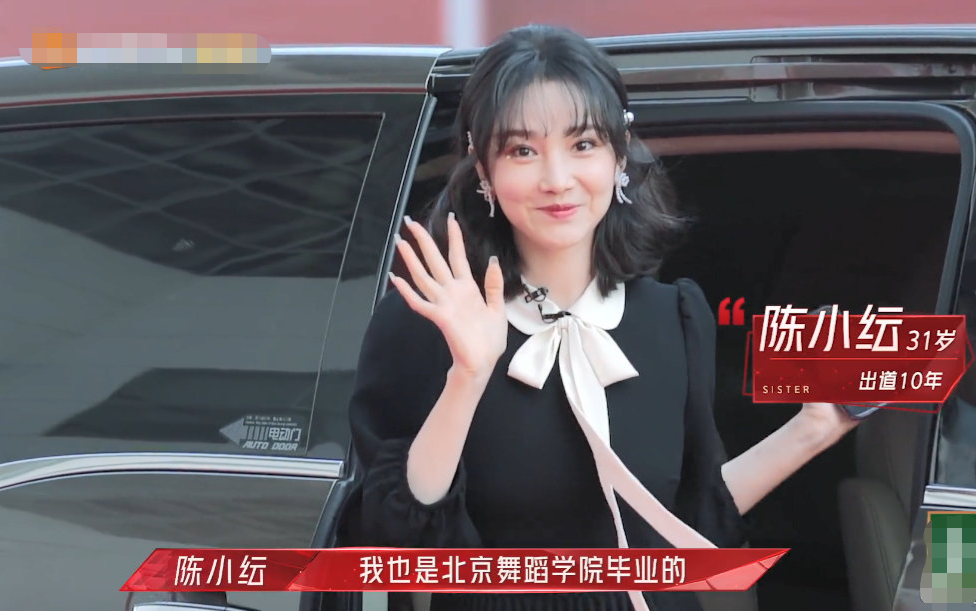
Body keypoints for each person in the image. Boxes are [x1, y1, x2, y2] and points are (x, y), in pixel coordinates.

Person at [344, 24, 859, 611]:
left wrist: (815, 428)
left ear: (619, 154)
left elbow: (688, 525)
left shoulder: (674, 318)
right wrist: (468, 375)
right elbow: (396, 543)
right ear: (483, 170)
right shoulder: (428, 324)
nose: (556, 179)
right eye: (522, 150)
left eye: (583, 144)